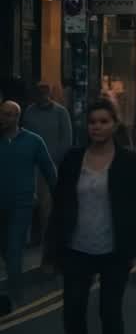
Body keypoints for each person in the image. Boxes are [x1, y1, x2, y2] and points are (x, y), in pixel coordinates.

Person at [44, 99, 136, 334]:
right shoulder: (72, 160)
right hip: (77, 248)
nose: (97, 127)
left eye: (103, 122)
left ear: (114, 125)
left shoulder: (128, 161)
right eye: (92, 122)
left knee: (110, 312)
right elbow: (60, 207)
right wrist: (52, 250)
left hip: (115, 250)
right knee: (73, 310)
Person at [0, 99, 58, 315]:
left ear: (17, 117)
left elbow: (49, 169)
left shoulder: (33, 141)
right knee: (5, 249)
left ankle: (16, 298)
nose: (3, 118)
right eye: (1, 114)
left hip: (21, 204)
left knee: (15, 248)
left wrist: (59, 197)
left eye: (8, 114)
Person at [21, 82, 72, 243]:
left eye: (45, 92)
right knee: (27, 202)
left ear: (49, 94)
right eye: (39, 92)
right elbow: (23, 134)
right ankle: (25, 238)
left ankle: (46, 239)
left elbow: (66, 140)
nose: (42, 95)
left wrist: (54, 159)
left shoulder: (61, 112)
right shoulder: (29, 111)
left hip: (50, 165)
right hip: (30, 164)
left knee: (46, 205)